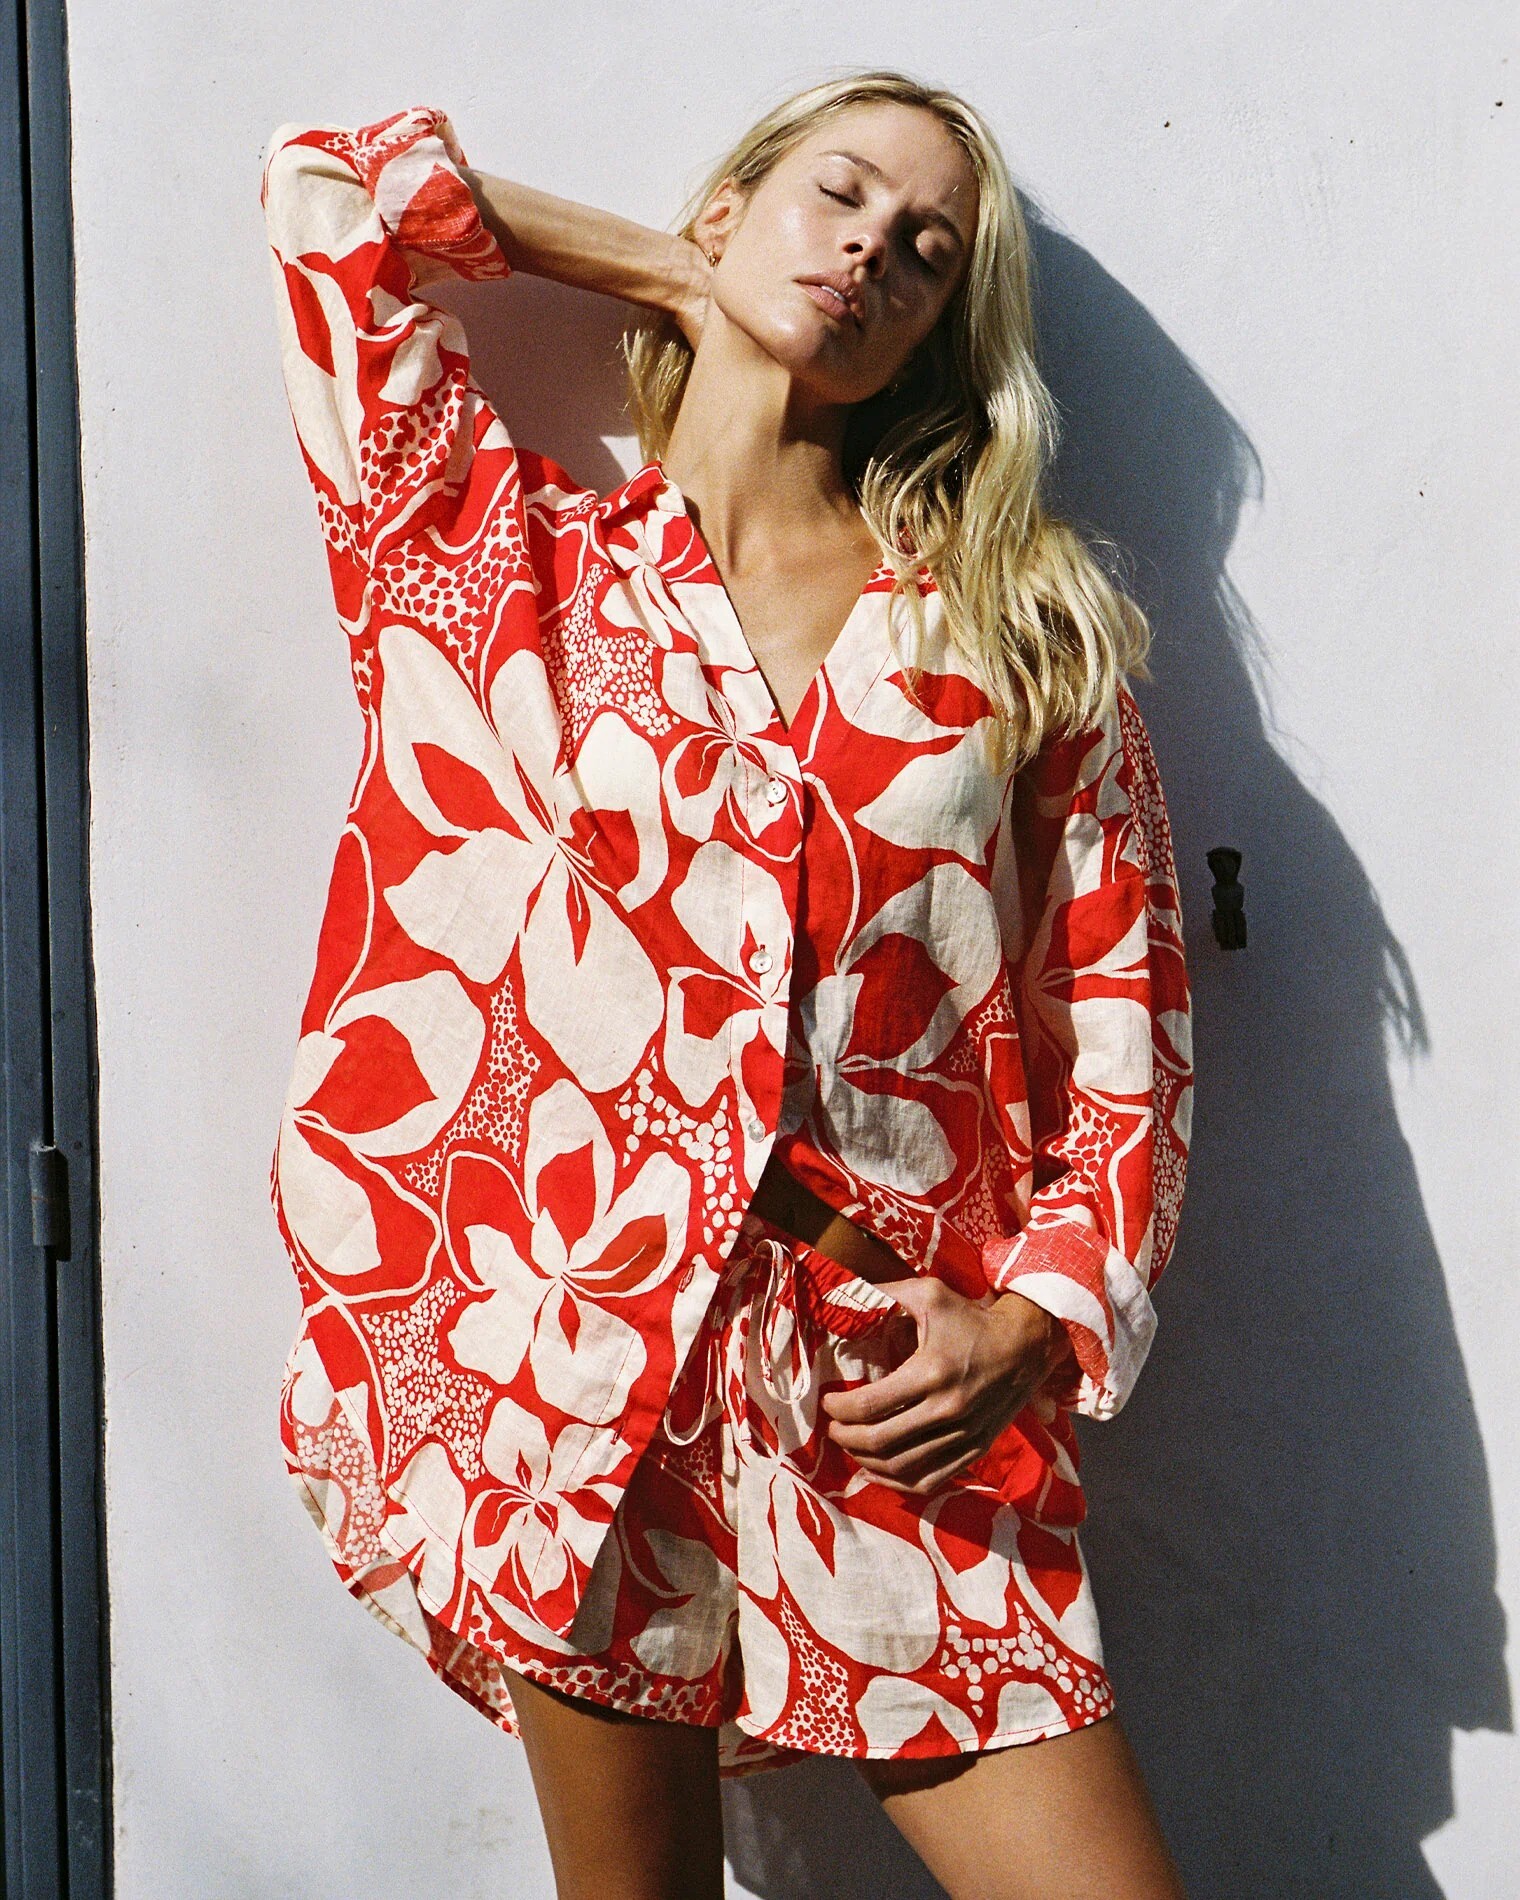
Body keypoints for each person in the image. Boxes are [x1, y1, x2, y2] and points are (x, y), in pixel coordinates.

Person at [261, 65, 1194, 1900]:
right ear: (731, 205)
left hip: (885, 1388)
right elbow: (328, 196)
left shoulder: (1009, 628)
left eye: (925, 252)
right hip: (575, 1374)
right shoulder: (492, 558)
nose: (872, 253)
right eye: (838, 196)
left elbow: (1129, 1023)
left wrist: (1031, 1323)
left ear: (940, 332)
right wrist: (672, 277)